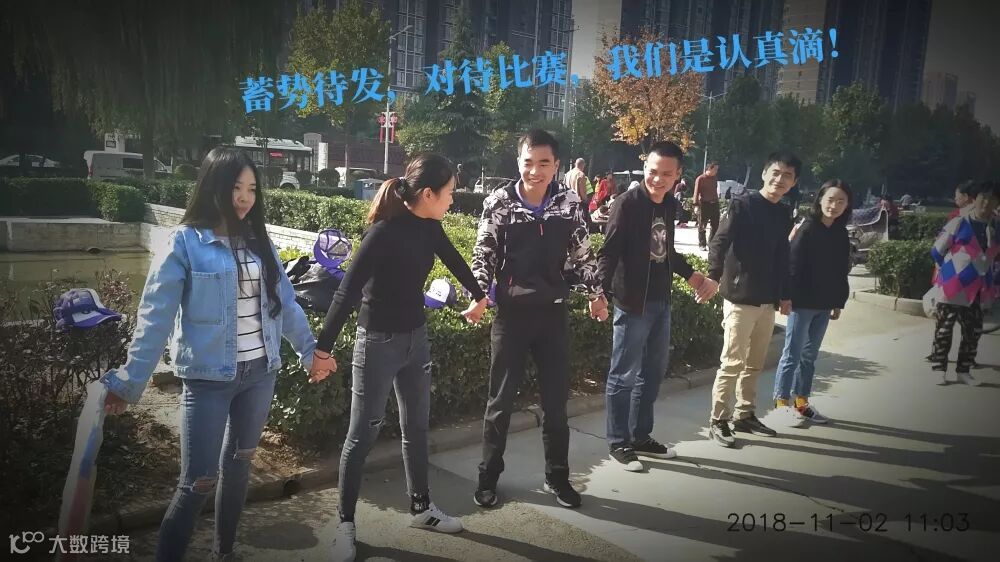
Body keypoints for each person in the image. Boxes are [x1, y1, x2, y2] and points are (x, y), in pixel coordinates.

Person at [100, 147, 318, 561]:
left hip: (260, 373)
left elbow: (286, 304)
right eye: (236, 187)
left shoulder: (259, 241)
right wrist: (129, 382)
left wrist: (310, 352)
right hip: (208, 380)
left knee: (239, 469)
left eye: (252, 189)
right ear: (214, 186)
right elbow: (155, 316)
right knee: (197, 483)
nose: (245, 197)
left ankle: (224, 553)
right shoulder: (184, 242)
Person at [308, 154, 488, 561]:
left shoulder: (430, 228)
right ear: (428, 194)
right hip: (377, 343)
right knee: (362, 435)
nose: (453, 199)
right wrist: (322, 349)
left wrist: (479, 296)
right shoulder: (382, 233)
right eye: (450, 192)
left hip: (415, 340)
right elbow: (346, 292)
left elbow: (454, 260)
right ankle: (345, 525)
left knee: (417, 427)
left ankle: (422, 509)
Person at [471, 129, 607, 509]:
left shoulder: (568, 203)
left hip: (552, 316)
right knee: (499, 403)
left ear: (556, 165)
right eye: (528, 162)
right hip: (511, 318)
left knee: (556, 405)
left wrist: (596, 296)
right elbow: (484, 254)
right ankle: (487, 478)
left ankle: (558, 477)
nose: (535, 171)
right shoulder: (499, 203)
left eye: (543, 163)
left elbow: (582, 255)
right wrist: (478, 296)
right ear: (518, 162)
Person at [598, 141, 719, 471]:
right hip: (632, 303)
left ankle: (640, 436)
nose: (658, 179)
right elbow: (609, 253)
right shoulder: (626, 204)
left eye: (666, 174)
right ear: (644, 169)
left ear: (678, 175)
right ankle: (619, 442)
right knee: (623, 375)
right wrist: (600, 293)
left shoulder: (668, 204)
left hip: (660, 301)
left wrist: (693, 276)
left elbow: (666, 252)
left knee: (652, 374)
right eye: (653, 172)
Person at [706, 151, 800, 448]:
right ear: (764, 173)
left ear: (794, 182)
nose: (780, 179)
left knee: (755, 363)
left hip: (766, 300)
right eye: (776, 172)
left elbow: (782, 255)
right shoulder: (743, 204)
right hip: (739, 297)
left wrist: (785, 294)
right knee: (732, 362)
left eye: (787, 176)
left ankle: (744, 414)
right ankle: (718, 420)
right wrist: (713, 275)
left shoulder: (783, 212)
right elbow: (719, 241)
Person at [771, 180, 853, 427]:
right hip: (801, 303)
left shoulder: (841, 233)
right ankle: (781, 403)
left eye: (840, 201)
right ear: (820, 200)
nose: (834, 205)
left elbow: (840, 270)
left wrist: (838, 302)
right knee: (792, 354)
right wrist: (785, 297)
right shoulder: (807, 228)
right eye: (830, 199)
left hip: (824, 304)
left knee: (809, 357)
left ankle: (802, 403)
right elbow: (792, 266)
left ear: (847, 206)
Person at [929, 180, 999, 386]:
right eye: (983, 197)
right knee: (944, 330)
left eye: (993, 199)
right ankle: (939, 369)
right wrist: (947, 273)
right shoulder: (959, 223)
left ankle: (964, 371)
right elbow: (937, 250)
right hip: (952, 286)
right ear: (975, 199)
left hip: (978, 288)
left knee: (973, 331)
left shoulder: (996, 227)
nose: (986, 203)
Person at [694, 162, 721, 250]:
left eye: (717, 169)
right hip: (704, 204)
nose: (716, 171)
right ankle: (702, 244)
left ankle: (712, 243)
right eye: (715, 169)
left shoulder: (714, 178)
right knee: (702, 225)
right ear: (709, 169)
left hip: (715, 204)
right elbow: (696, 192)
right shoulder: (701, 178)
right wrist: (696, 205)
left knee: (715, 225)